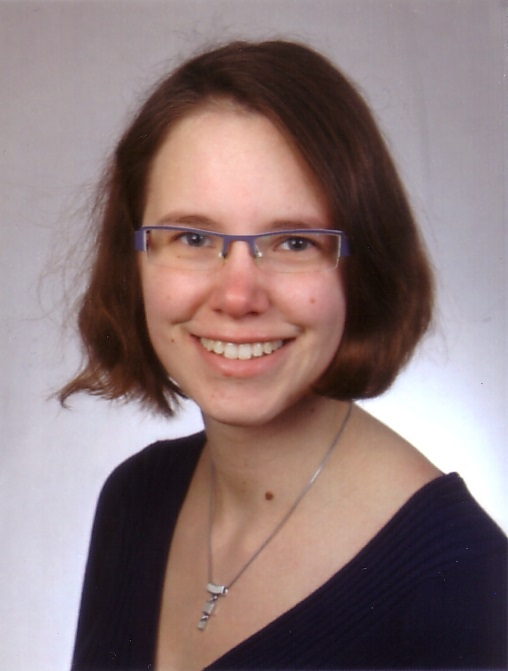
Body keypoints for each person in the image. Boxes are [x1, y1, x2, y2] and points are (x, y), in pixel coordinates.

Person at [61, 40, 507, 670]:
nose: (238, 295)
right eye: (192, 237)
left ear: (363, 266)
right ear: (132, 259)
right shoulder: (136, 499)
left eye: (294, 242)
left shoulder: (464, 584)